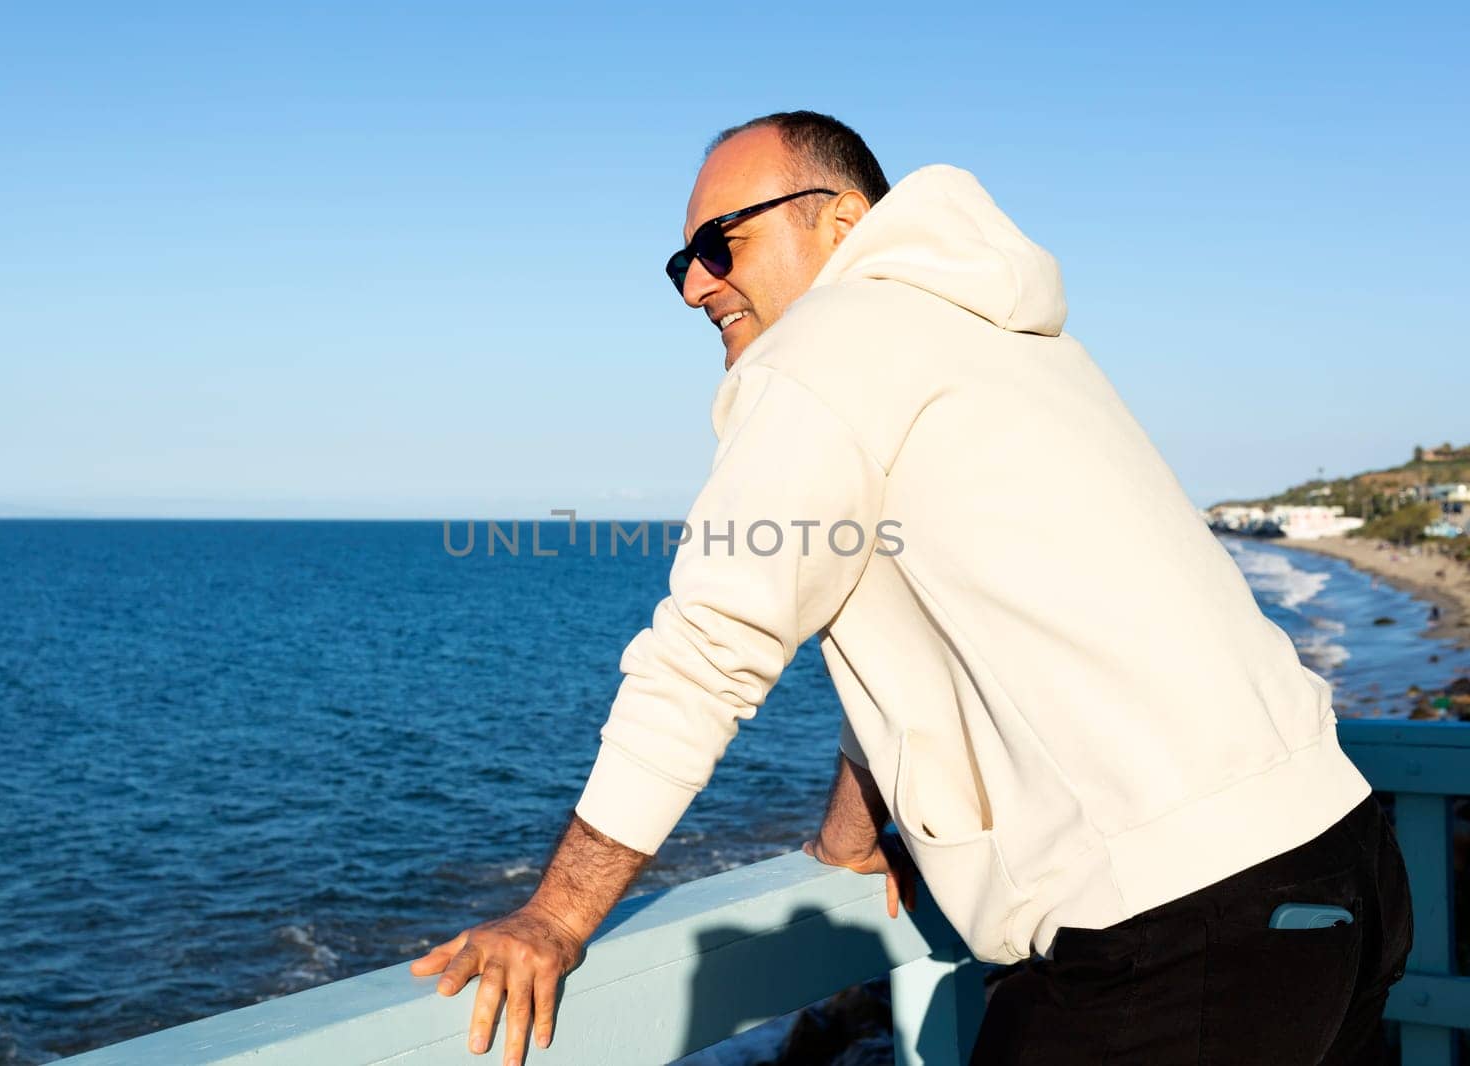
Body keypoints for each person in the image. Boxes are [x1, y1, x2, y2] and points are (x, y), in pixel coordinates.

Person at [409, 111, 1413, 1065]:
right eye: (682, 260)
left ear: (841, 219)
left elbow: (707, 652)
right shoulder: (1011, 344)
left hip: (1179, 928)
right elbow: (930, 628)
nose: (692, 286)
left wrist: (555, 915)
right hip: (1344, 868)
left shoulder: (825, 347)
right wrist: (852, 834)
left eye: (722, 244)